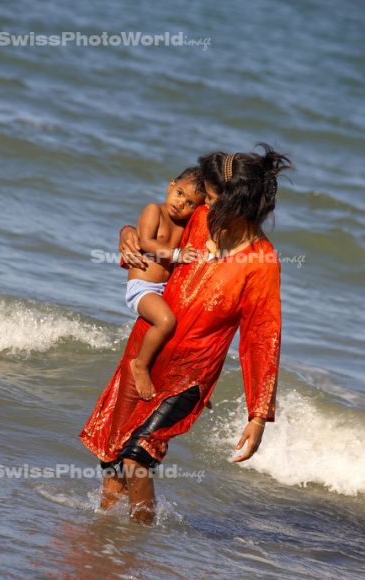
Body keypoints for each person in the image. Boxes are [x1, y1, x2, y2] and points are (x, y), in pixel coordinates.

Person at [79, 144, 292, 525]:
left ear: (235, 202)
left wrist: (258, 415)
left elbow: (262, 337)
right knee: (111, 458)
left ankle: (137, 543)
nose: (203, 205)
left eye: (210, 198)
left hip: (190, 373)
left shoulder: (262, 263)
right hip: (145, 352)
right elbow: (157, 231)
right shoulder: (200, 221)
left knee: (138, 456)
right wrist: (127, 232)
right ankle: (106, 547)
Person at [124, 167, 205, 400]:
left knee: (183, 331)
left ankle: (185, 381)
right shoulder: (154, 210)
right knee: (166, 321)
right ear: (170, 185)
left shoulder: (184, 226)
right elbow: (146, 242)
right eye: (180, 193)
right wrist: (178, 255)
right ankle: (140, 365)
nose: (181, 204)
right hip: (142, 287)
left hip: (164, 290)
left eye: (190, 203)